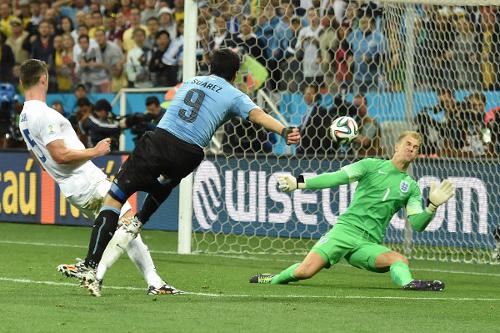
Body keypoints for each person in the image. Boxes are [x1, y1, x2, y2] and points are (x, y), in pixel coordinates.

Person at [66, 48, 300, 296]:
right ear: (234, 74)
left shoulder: (190, 82)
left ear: (210, 67)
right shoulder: (234, 94)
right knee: (165, 180)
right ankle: (140, 220)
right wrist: (285, 131)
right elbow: (258, 115)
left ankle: (91, 266)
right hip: (188, 155)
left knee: (114, 198)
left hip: (159, 141)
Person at [18, 59, 178, 297]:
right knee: (129, 221)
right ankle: (97, 269)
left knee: (125, 224)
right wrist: (96, 151)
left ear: (21, 82)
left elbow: (41, 159)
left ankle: (148, 279)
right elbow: (60, 155)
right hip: (85, 181)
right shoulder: (45, 114)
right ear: (44, 79)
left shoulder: (23, 117)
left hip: (72, 187)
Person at [250, 131, 455, 291]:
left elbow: (418, 224)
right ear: (396, 146)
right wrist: (299, 183)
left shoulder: (411, 187)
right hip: (345, 232)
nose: (412, 149)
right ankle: (273, 279)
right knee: (304, 272)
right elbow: (335, 177)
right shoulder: (370, 165)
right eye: (408, 144)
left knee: (400, 260)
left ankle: (409, 284)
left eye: (416, 147)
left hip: (368, 244)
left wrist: (432, 206)